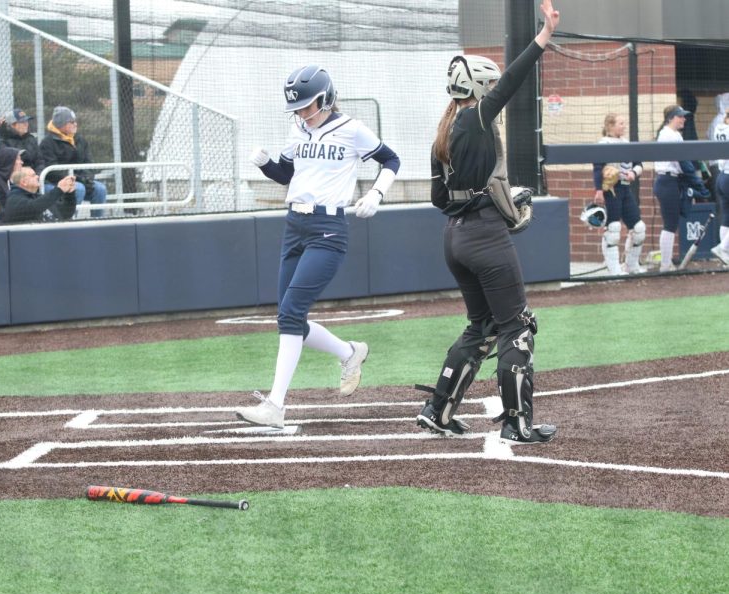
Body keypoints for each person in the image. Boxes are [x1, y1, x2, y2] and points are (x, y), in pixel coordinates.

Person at [415, 1, 562, 445]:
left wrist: (484, 201)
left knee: (480, 328)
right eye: (490, 85)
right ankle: (517, 424)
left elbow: (440, 198)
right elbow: (513, 82)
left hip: (455, 240)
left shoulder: (444, 130)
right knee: (517, 325)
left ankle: (438, 411)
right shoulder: (476, 117)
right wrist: (544, 36)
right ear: (478, 87)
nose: (495, 89)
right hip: (484, 239)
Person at [235, 65, 400, 429]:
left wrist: (377, 192)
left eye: (307, 106)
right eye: (298, 107)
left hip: (328, 228)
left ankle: (276, 405)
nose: (302, 113)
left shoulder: (351, 129)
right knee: (288, 317)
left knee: (292, 310)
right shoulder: (297, 128)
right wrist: (265, 165)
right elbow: (287, 175)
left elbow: (391, 159)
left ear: (326, 99)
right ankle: (349, 352)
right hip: (294, 225)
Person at [652, 105, 707, 272]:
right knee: (670, 223)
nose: (683, 119)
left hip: (673, 181)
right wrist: (698, 184)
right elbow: (683, 164)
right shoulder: (667, 134)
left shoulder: (676, 134)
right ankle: (665, 265)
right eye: (680, 116)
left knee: (672, 222)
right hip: (666, 180)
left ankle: (666, 263)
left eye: (683, 116)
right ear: (670, 118)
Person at [591, 114, 646, 275]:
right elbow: (597, 169)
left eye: (624, 123)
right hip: (610, 191)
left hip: (625, 188)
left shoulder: (626, 143)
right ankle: (613, 269)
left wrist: (633, 173)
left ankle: (631, 265)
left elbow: (639, 164)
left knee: (638, 228)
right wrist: (599, 190)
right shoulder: (603, 144)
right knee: (613, 229)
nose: (624, 126)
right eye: (620, 123)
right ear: (610, 126)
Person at [39, 106, 106, 215]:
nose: (75, 124)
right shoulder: (48, 143)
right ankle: (71, 222)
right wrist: (77, 180)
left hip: (79, 180)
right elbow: (53, 171)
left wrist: (86, 179)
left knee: (100, 189)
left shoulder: (80, 140)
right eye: (71, 122)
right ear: (61, 124)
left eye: (75, 121)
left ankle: (97, 223)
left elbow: (88, 163)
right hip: (57, 182)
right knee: (78, 189)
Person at [1, 167, 77, 224]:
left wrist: (69, 194)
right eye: (33, 175)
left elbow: (66, 213)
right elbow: (34, 208)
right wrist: (59, 190)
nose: (37, 176)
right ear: (24, 182)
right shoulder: (14, 200)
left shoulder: (38, 197)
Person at [710, 111, 729, 266]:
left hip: (721, 176)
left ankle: (725, 257)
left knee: (727, 217)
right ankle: (723, 248)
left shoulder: (720, 127)